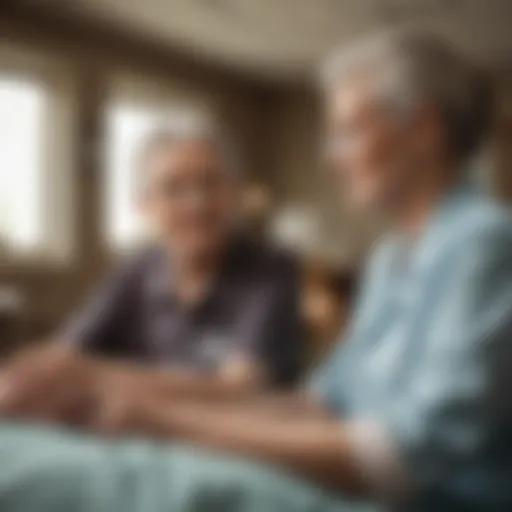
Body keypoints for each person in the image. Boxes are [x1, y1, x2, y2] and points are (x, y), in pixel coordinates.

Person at [0, 27, 509, 512]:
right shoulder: (388, 260)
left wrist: (161, 420)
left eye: (349, 130)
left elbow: (406, 458)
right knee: (75, 458)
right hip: (351, 480)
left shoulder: (484, 242)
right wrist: (125, 408)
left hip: (416, 501)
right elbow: (318, 405)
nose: (332, 158)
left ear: (423, 129)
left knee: (90, 481)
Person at [60, 118, 303, 391]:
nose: (197, 204)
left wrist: (111, 385)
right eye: (174, 188)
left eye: (211, 183)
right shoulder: (133, 273)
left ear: (233, 193)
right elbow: (60, 363)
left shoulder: (271, 271)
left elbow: (237, 389)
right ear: (144, 205)